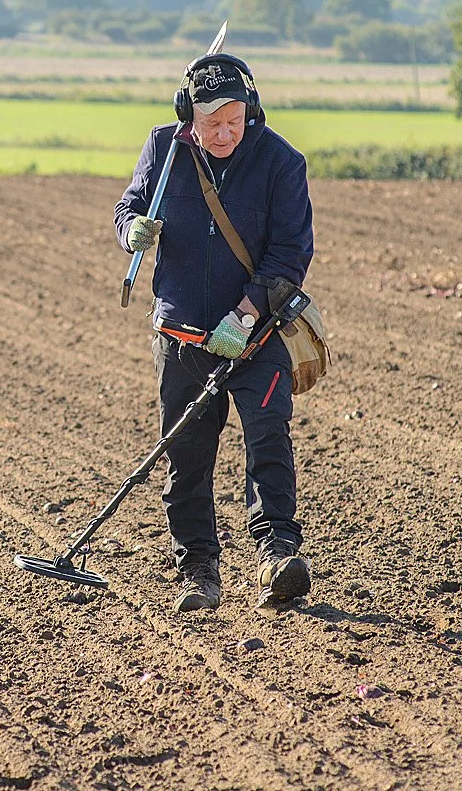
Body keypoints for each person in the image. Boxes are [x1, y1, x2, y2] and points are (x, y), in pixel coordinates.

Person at [113, 53, 314, 611]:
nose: (225, 132)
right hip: (181, 334)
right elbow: (127, 204)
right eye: (211, 122)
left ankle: (277, 554)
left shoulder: (281, 164)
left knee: (267, 437)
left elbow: (291, 252)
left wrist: (247, 312)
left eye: (235, 119)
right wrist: (131, 229)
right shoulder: (164, 148)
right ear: (188, 116)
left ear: (252, 110)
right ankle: (198, 569)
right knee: (188, 454)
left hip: (259, 334)